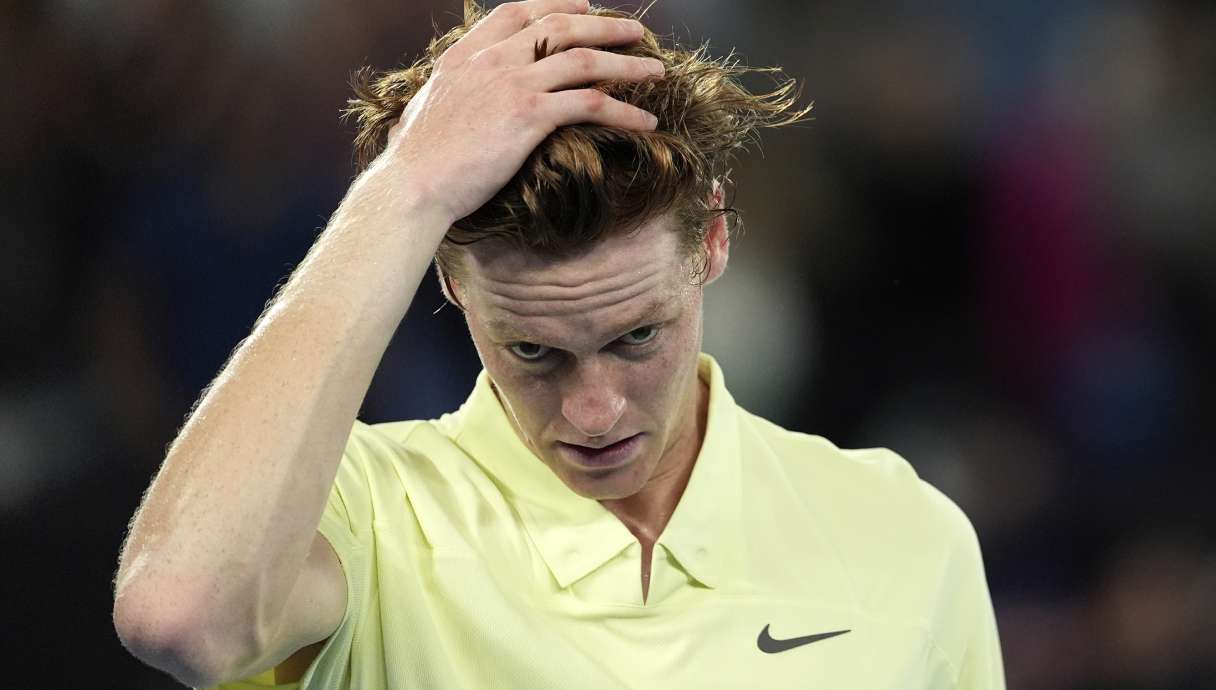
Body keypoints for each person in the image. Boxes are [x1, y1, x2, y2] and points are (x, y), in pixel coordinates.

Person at [113, 1, 1006, 688]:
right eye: (534, 351)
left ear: (715, 241)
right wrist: (406, 186)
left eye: (636, 336)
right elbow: (179, 619)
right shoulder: (362, 516)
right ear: (451, 282)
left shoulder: (906, 533)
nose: (594, 411)